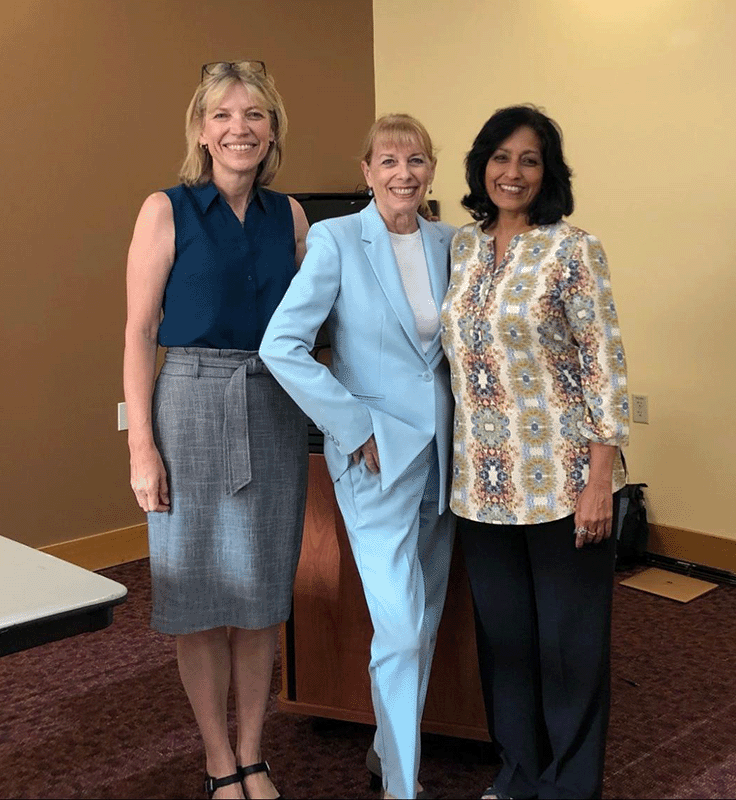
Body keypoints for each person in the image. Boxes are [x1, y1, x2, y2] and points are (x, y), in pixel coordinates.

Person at [123, 61, 309, 800]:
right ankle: (215, 757)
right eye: (226, 115)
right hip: (190, 401)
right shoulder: (165, 210)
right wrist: (142, 445)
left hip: (272, 403)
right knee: (198, 595)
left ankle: (254, 752)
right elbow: (139, 334)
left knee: (260, 593)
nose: (241, 128)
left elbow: (309, 325)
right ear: (202, 130)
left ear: (273, 130)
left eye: (256, 114)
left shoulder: (290, 217)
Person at [259, 114, 455, 800]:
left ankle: (383, 751)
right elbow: (281, 345)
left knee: (422, 619)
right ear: (367, 172)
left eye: (418, 160)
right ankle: (404, 787)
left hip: (444, 460)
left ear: (433, 171)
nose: (405, 173)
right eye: (389, 161)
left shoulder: (451, 242)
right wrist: (355, 428)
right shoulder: (338, 240)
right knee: (400, 626)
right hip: (376, 458)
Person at [440, 105, 630, 800]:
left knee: (569, 645)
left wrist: (599, 477)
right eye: (500, 156)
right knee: (507, 646)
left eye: (528, 159)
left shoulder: (573, 248)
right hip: (481, 483)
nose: (511, 172)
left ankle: (570, 785)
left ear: (547, 173)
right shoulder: (461, 247)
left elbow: (603, 362)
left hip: (563, 478)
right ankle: (519, 772)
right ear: (481, 164)